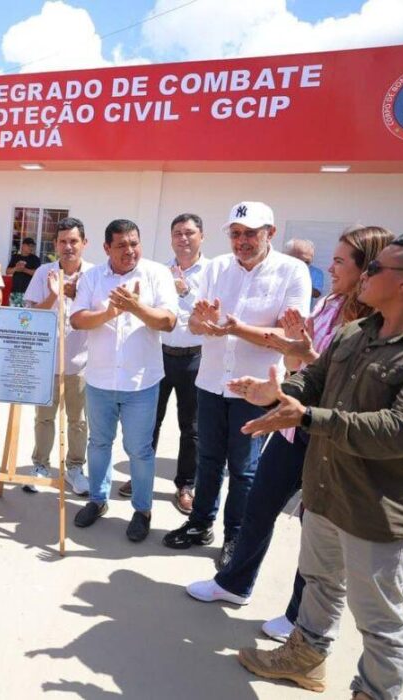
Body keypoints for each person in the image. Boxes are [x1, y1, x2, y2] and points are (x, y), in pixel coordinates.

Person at [231, 235, 403, 699]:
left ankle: (374, 691)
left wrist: (306, 416)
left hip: (382, 507)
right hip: (327, 489)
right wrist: (282, 393)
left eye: (375, 269)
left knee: (379, 618)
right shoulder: (357, 331)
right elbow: (315, 378)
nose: (363, 275)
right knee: (320, 585)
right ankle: (304, 660)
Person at [185, 226, 394, 646]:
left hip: (329, 432)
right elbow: (306, 361)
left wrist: (294, 348)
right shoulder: (331, 302)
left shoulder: (374, 319)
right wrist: (295, 350)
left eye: (339, 261)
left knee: (317, 528)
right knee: (260, 506)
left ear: (367, 266)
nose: (329, 268)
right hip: (292, 424)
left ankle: (301, 616)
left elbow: (343, 376)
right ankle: (233, 583)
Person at [162, 202, 311, 570]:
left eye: (250, 234)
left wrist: (234, 327)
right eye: (236, 234)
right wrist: (201, 322)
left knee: (244, 468)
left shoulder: (292, 272)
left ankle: (235, 535)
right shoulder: (216, 268)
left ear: (270, 234)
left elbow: (290, 336)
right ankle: (200, 524)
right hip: (211, 382)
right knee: (208, 460)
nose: (242, 241)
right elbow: (196, 324)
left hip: (256, 389)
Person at [70, 219, 178, 542]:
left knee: (140, 450)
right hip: (100, 380)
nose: (130, 251)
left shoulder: (157, 274)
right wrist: (111, 313)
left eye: (134, 243)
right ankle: (97, 500)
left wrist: (135, 307)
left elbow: (169, 321)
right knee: (99, 444)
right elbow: (77, 319)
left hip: (141, 383)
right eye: (121, 245)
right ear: (106, 248)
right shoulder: (91, 278)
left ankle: (142, 510)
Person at [121, 213, 209, 514]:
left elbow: (215, 314)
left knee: (192, 427)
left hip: (195, 358)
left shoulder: (212, 272)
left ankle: (185, 485)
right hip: (158, 356)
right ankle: (140, 477)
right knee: (148, 422)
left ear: (201, 236)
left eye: (189, 233)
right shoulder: (158, 271)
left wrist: (187, 292)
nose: (183, 239)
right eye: (177, 234)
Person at [23, 217, 92, 496]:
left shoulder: (95, 275)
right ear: (55, 245)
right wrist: (53, 296)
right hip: (46, 363)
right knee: (44, 418)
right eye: (62, 241)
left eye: (74, 241)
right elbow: (29, 317)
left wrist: (74, 295)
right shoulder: (44, 273)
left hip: (82, 362)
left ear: (84, 244)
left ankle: (75, 468)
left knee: (78, 421)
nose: (68, 247)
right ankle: (40, 465)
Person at [285, 238, 324, 303]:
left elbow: (317, 293)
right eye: (298, 260)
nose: (302, 264)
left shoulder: (317, 272)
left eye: (307, 262)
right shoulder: (277, 270)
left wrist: (298, 284)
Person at [8, 236, 41, 306]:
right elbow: (8, 271)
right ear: (23, 245)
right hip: (15, 291)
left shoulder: (35, 259)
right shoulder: (15, 257)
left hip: (30, 292)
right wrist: (16, 269)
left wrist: (24, 270)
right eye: (29, 246)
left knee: (27, 315)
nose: (31, 248)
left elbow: (37, 273)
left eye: (32, 246)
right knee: (13, 314)